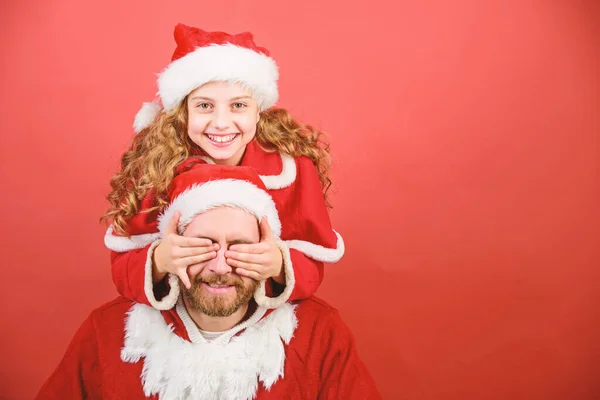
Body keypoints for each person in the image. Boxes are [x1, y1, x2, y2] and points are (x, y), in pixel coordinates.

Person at [36, 164, 380, 400]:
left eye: (240, 247)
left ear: (269, 248)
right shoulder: (106, 330)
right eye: (201, 246)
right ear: (170, 244)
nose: (219, 265)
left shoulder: (320, 332)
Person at [102, 23, 344, 311]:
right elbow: (122, 270)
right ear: (183, 112)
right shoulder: (154, 165)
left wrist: (279, 264)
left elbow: (312, 269)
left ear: (258, 111)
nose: (220, 122)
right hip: (179, 318)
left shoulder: (292, 167)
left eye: (238, 106)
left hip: (257, 319)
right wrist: (158, 261)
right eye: (204, 106)